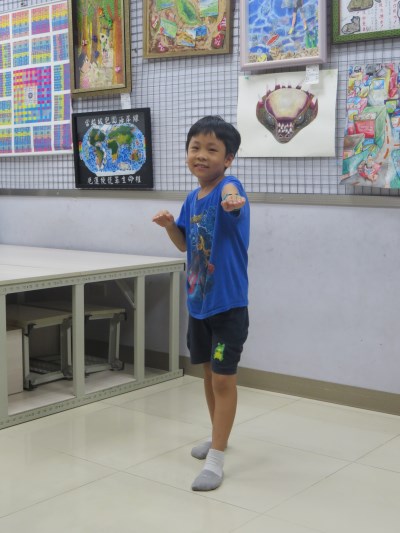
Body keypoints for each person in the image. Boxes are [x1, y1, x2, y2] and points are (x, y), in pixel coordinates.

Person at [152, 115, 250, 491]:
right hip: (198, 304)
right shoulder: (192, 198)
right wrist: (169, 226)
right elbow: (183, 244)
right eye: (195, 148)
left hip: (227, 307)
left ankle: (217, 459)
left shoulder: (229, 186)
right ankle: (217, 435)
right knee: (209, 375)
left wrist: (232, 202)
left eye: (212, 149)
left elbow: (232, 200)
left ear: (228, 158)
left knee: (223, 380)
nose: (201, 155)